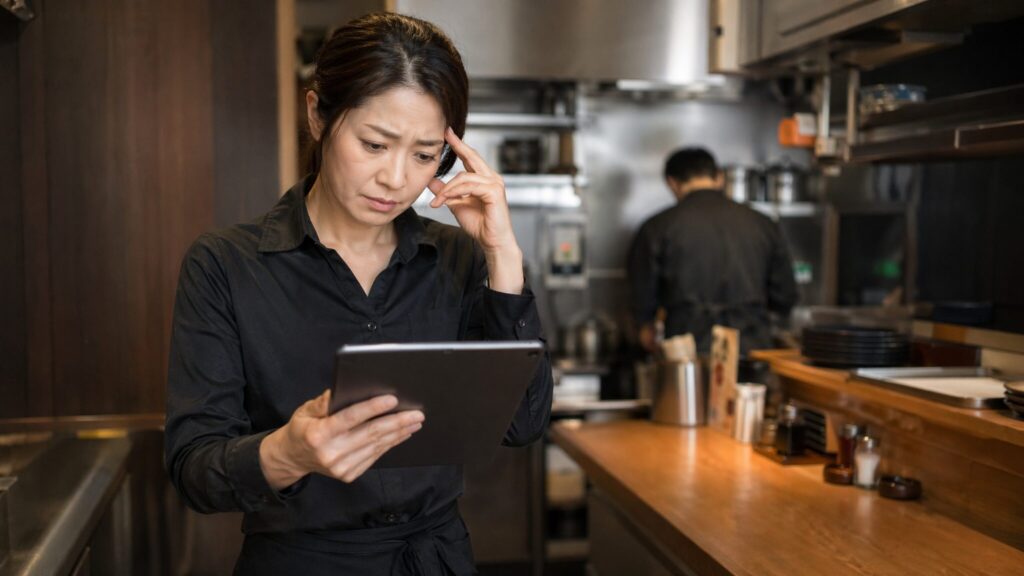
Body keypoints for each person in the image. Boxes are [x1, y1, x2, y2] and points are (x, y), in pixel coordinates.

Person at [164, 13, 553, 575]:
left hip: (437, 559)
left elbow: (523, 424)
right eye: (375, 144)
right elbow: (193, 470)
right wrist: (287, 453)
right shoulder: (225, 265)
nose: (396, 179)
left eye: (424, 156)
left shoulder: (460, 257)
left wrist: (504, 258)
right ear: (318, 114)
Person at [627, 147, 798, 356]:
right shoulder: (763, 224)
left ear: (672, 183)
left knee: (691, 389)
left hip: (687, 350)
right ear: (719, 177)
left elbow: (642, 294)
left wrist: (645, 325)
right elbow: (785, 296)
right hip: (752, 347)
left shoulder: (657, 227)